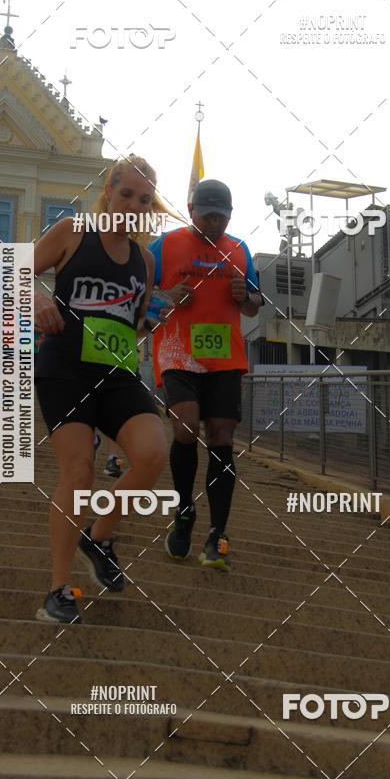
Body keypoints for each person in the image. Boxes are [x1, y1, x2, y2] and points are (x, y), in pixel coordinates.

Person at [33, 155, 168, 624]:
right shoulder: (73, 232)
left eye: (144, 200)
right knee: (79, 469)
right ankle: (57, 588)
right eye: (127, 193)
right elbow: (14, 271)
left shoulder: (145, 261)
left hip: (116, 369)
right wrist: (37, 296)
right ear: (108, 190)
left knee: (152, 453)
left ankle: (100, 534)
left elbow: (133, 324)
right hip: (64, 365)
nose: (133, 205)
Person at [149, 179, 262, 571]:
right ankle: (183, 511)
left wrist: (243, 297)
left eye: (222, 217)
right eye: (207, 216)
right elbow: (136, 288)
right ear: (190, 209)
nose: (214, 224)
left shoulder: (239, 250)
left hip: (224, 358)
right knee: (185, 427)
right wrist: (165, 296)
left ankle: (217, 532)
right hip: (178, 352)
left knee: (222, 437)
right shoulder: (164, 245)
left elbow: (254, 306)